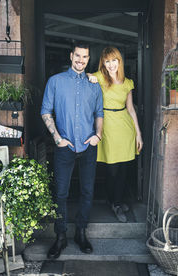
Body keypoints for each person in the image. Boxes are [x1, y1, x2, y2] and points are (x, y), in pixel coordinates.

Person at [41, 42, 103, 259]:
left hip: (88, 146)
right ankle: (60, 237)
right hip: (64, 146)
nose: (81, 60)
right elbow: (46, 111)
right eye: (78, 56)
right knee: (61, 193)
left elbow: (99, 112)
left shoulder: (94, 84)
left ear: (88, 59)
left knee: (87, 192)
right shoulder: (55, 82)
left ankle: (81, 233)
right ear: (71, 56)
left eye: (85, 57)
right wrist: (57, 138)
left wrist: (98, 135)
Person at [88, 46, 143, 223]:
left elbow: (131, 109)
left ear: (120, 61)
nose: (111, 65)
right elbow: (82, 76)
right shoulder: (98, 77)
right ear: (103, 62)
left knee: (124, 169)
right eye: (107, 61)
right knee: (112, 169)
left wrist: (138, 134)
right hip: (107, 125)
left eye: (114, 60)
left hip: (125, 127)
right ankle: (112, 200)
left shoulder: (127, 83)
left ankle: (117, 202)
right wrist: (89, 77)